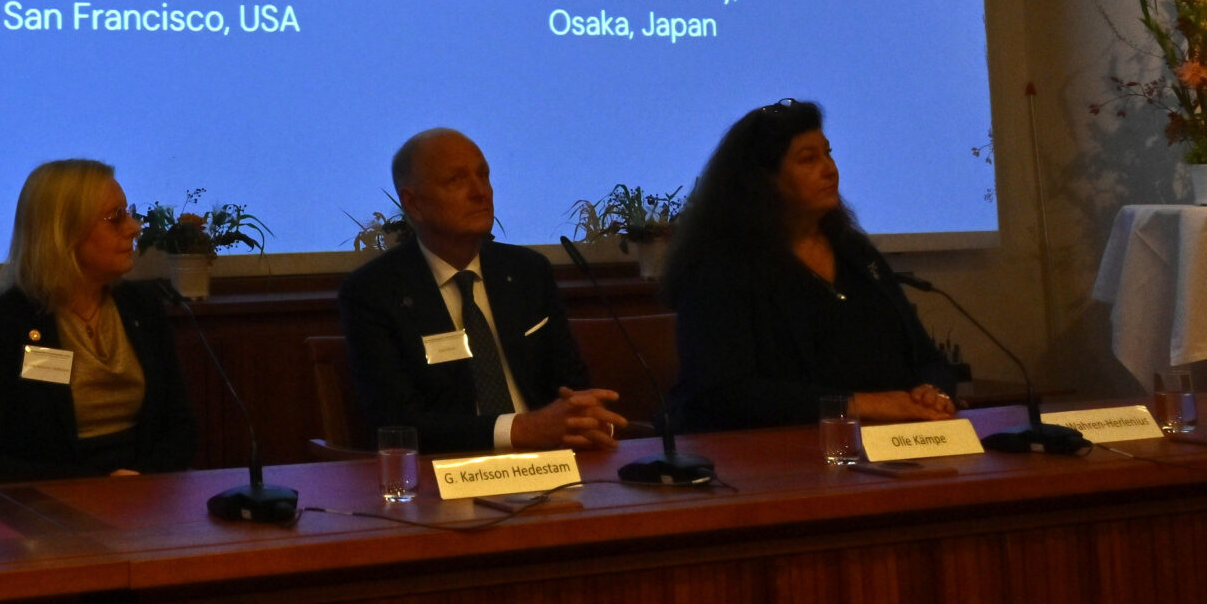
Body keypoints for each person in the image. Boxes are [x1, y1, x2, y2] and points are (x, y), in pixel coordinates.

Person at [662, 99, 958, 432]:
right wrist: (860, 405)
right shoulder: (720, 266)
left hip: (889, 440)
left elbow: (928, 358)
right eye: (808, 159)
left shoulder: (855, 252)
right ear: (762, 179)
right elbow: (723, 393)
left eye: (828, 153)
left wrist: (930, 392)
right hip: (774, 455)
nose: (830, 169)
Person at [338, 128, 626, 454]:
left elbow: (571, 386)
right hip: (448, 475)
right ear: (413, 203)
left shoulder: (528, 272)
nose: (480, 192)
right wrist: (518, 430)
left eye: (483, 176)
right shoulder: (375, 291)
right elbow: (397, 424)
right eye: (456, 181)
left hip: (550, 462)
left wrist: (588, 417)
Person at [0, 159, 198, 484]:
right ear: (64, 233)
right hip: (51, 510)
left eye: (128, 212)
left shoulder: (143, 307)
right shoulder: (7, 323)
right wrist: (97, 486)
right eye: (115, 218)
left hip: (144, 498)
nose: (134, 227)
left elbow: (180, 427)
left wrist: (139, 480)